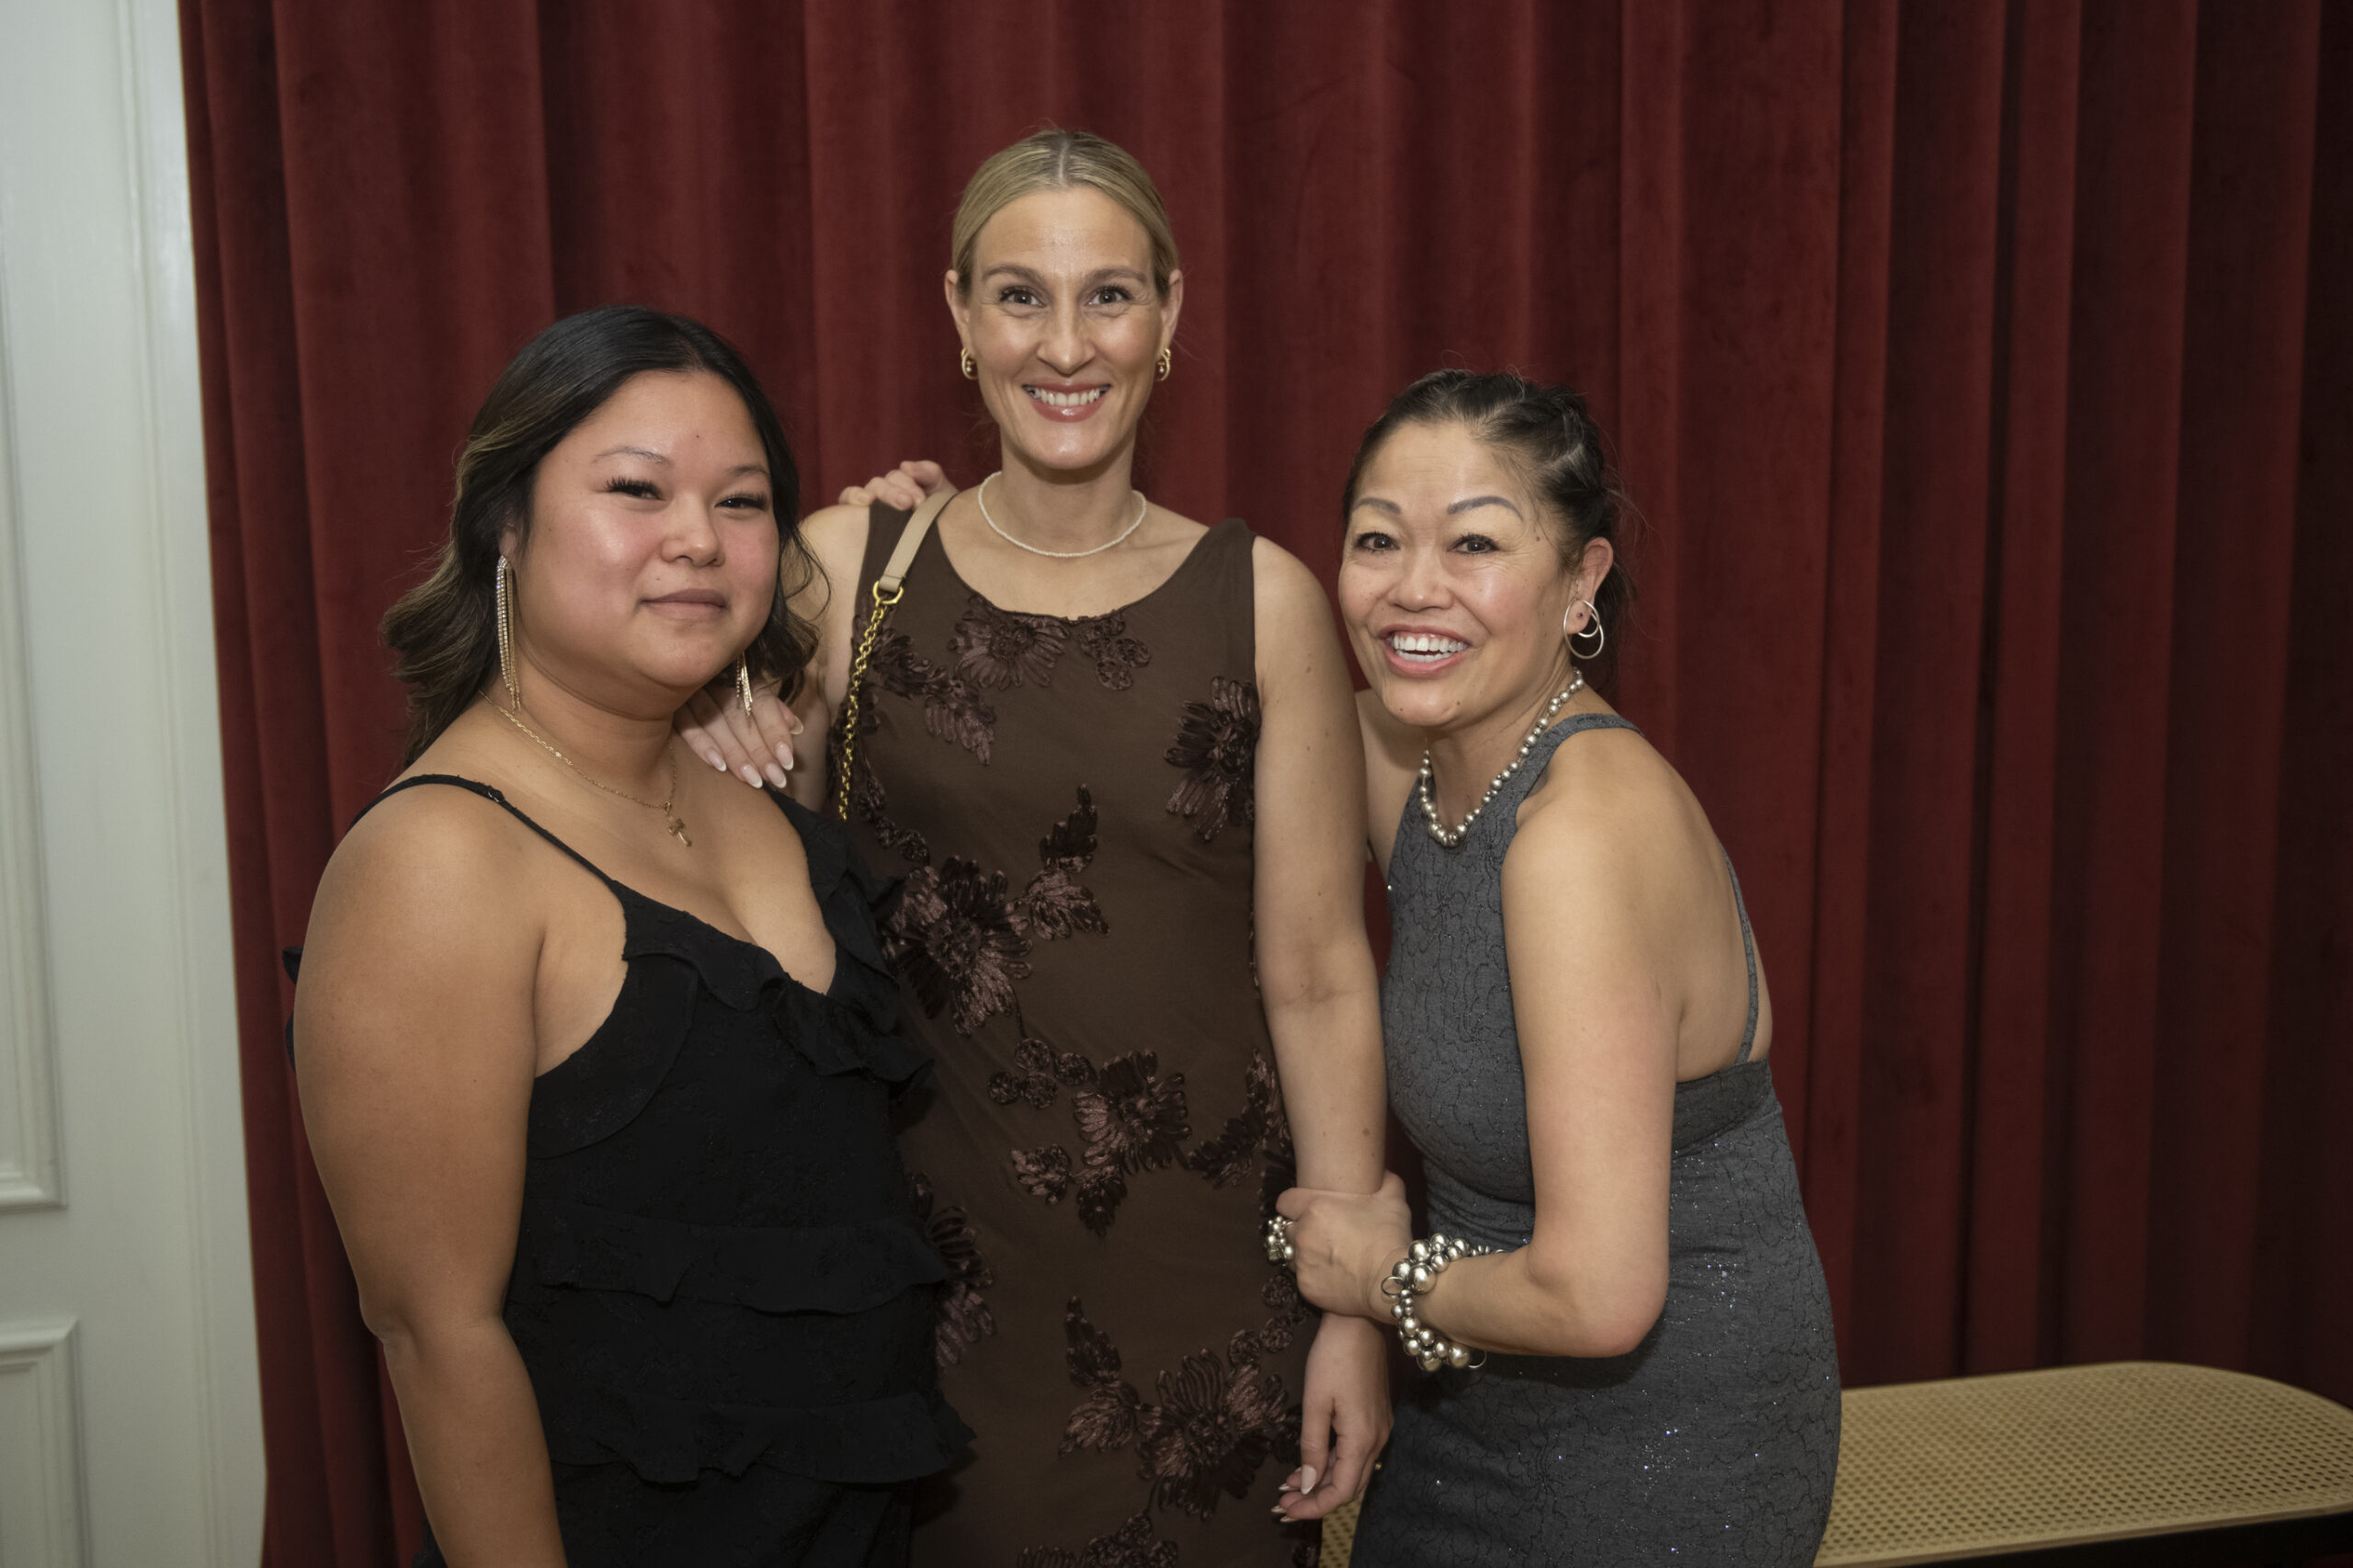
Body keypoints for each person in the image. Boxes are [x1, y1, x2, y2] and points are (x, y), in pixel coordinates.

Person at [679, 131, 1391, 1565]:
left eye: (1109, 295)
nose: (1065, 345)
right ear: (958, 315)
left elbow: (1318, 974)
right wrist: (709, 711)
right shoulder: (847, 566)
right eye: (1020, 295)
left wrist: (1351, 1312)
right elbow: (713, 878)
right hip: (934, 1301)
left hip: (1212, 1304)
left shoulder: (1265, 601)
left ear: (1171, 314)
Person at [291, 306, 966, 1567]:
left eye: (742, 500)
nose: (698, 539)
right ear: (506, 524)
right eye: (637, 490)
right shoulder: (440, 859)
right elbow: (439, 1336)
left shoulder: (770, 810)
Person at [1274, 371, 1841, 1565]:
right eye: (1379, 539)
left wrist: (1374, 1283)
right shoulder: (1404, 749)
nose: (1414, 586)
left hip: (1669, 1441)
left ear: (1580, 581)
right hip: (1471, 1389)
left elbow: (1598, 1295)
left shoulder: (1578, 836)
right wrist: (893, 553)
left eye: (1474, 542)